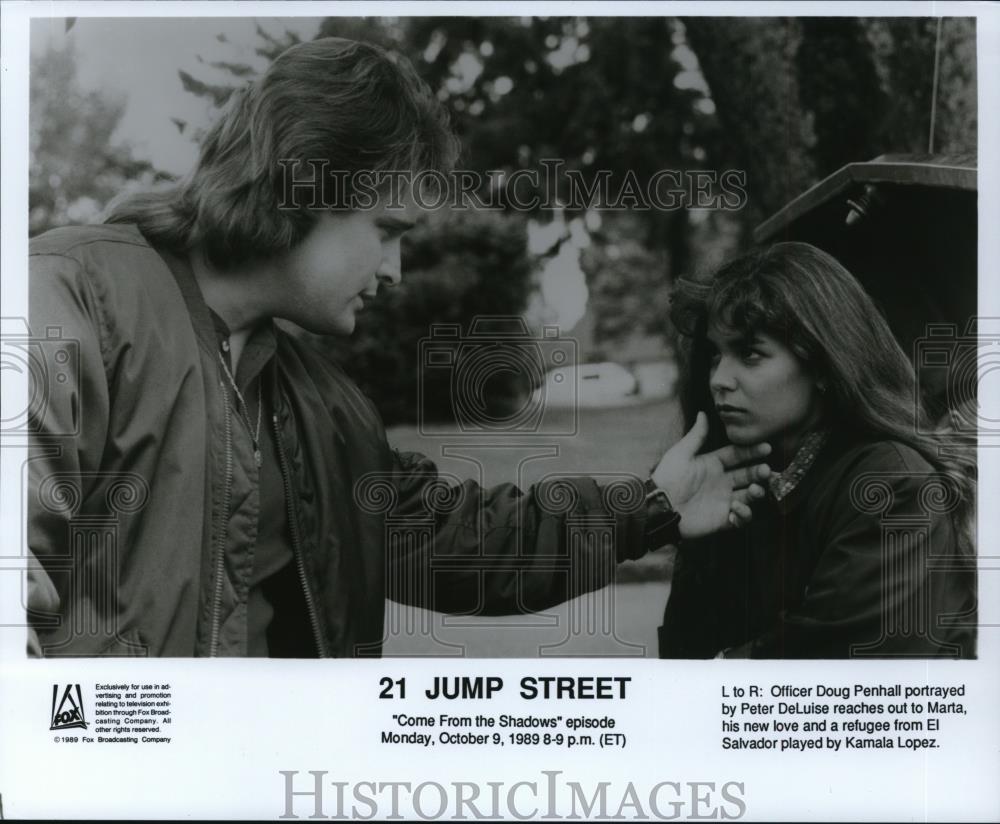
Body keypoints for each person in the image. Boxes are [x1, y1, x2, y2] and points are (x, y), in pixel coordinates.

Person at [25, 37, 770, 657]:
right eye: (388, 230)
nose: (395, 271)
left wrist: (653, 505)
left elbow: (461, 544)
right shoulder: (73, 297)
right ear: (304, 185)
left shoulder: (326, 410)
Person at [659, 242, 977, 659]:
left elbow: (836, 666)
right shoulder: (734, 484)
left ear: (824, 364)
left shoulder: (892, 482)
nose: (719, 378)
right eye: (715, 354)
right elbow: (685, 649)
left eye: (749, 353)